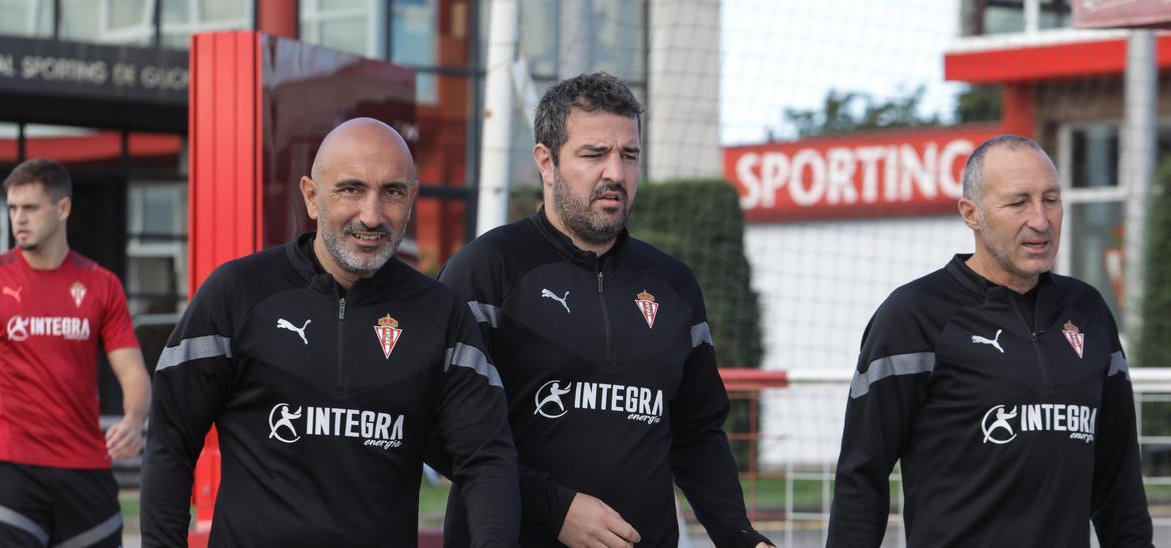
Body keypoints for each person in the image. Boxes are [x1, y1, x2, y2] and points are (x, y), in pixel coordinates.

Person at [140, 118, 520, 546]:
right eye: (351, 189)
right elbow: (171, 439)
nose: (372, 215)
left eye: (392, 191)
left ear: (412, 198)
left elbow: (486, 460)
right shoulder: (236, 294)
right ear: (311, 197)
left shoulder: (441, 314)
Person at [433, 72, 774, 548]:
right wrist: (555, 510)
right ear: (545, 162)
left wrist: (740, 537)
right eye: (594, 154)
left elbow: (697, 434)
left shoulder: (673, 285)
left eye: (629, 155)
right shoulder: (485, 271)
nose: (615, 172)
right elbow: (446, 434)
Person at [827, 135, 1153, 547]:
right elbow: (862, 475)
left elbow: (1118, 479)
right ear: (971, 213)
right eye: (1018, 202)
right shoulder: (913, 315)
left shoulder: (1087, 310)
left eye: (1050, 199)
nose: (1040, 219)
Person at [0, 158, 152, 547]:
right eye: (13, 208)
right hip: (10, 466)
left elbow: (133, 372)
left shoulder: (102, 286)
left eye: (30, 208)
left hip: (86, 469)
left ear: (62, 208)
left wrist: (133, 421)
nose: (19, 219)